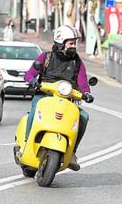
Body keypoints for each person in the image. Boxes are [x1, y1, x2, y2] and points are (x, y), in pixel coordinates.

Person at [24, 25, 93, 171]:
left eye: (75, 43)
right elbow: (29, 74)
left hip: (67, 100)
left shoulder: (77, 62)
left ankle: (72, 152)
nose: (74, 46)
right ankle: (26, 142)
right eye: (71, 43)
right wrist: (33, 81)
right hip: (44, 96)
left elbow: (83, 82)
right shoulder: (46, 57)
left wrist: (86, 93)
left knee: (84, 117)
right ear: (61, 42)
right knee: (34, 113)